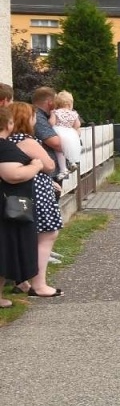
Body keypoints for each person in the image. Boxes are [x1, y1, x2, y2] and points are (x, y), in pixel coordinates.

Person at [11, 102, 61, 297]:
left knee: (23, 237)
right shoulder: (27, 141)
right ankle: (39, 284)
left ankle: (22, 281)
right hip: (37, 193)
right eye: (32, 116)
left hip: (20, 192)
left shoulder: (9, 140)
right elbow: (49, 165)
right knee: (47, 234)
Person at [0, 106, 43, 308]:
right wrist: (35, 166)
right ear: (8, 124)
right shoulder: (4, 147)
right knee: (4, 250)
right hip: (5, 208)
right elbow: (13, 174)